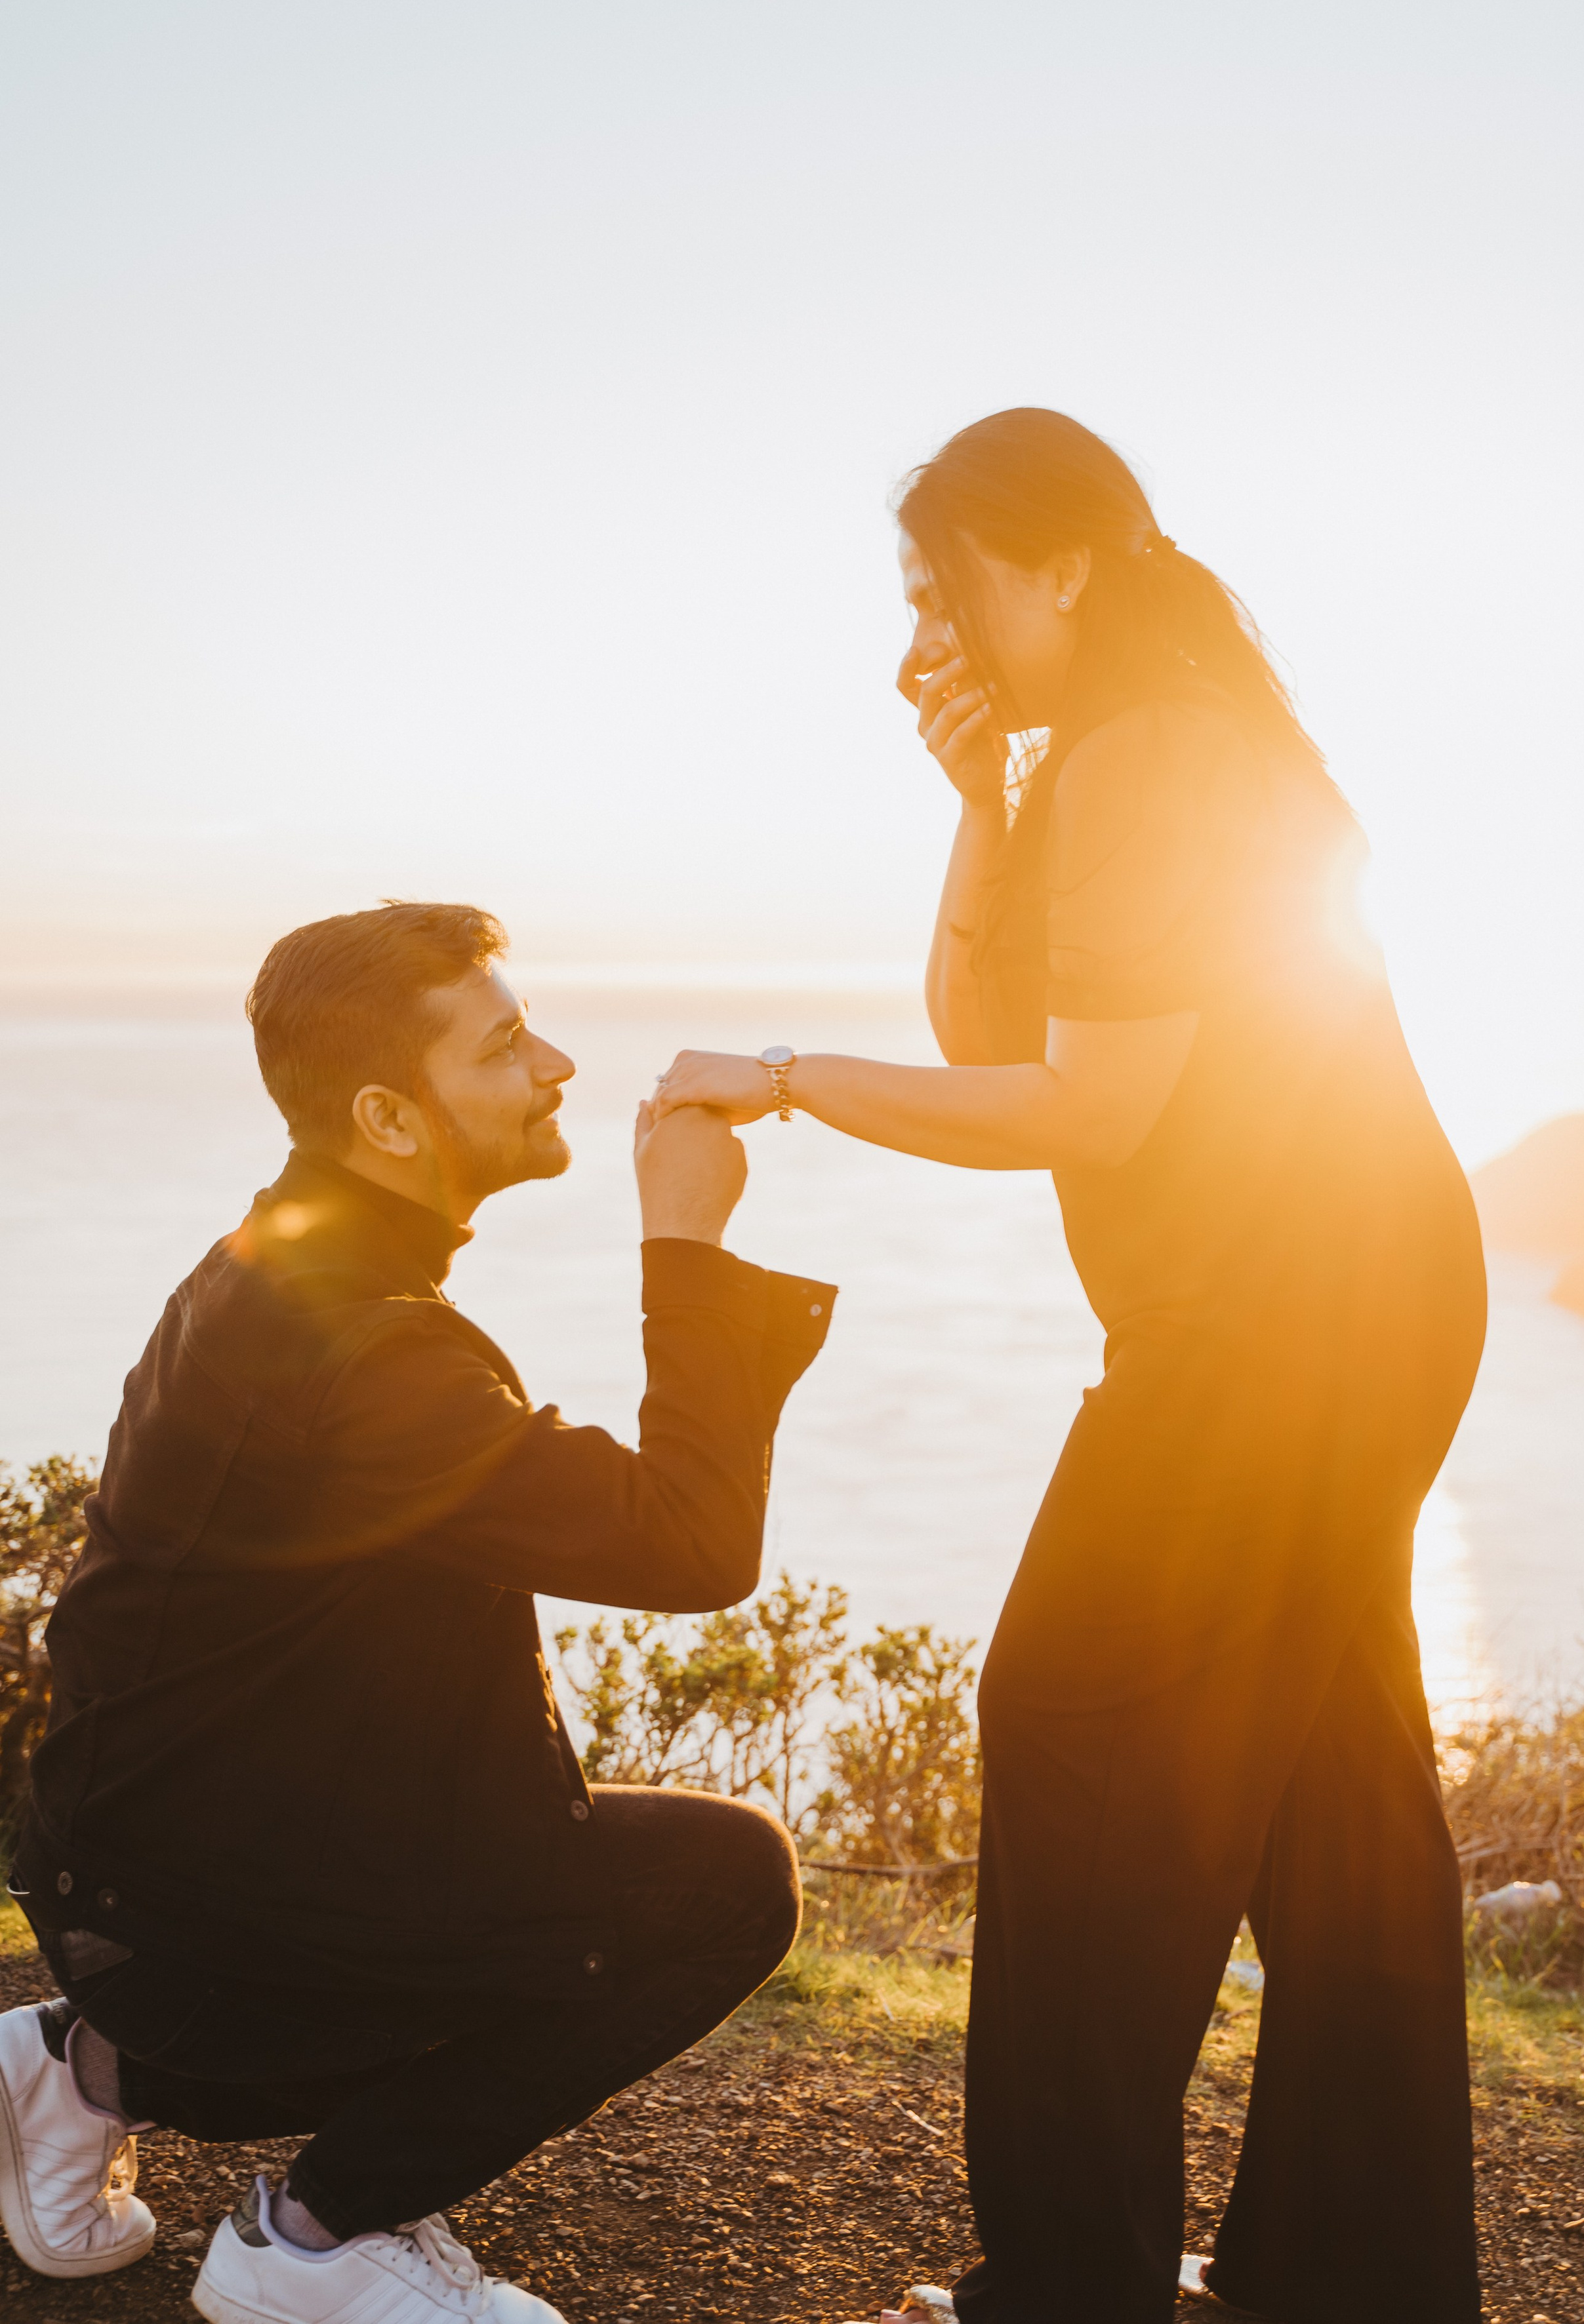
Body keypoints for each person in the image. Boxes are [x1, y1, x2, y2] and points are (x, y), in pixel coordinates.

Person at [651, 411, 1488, 2323]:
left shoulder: (1155, 751)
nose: (921, 634)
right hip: (1343, 1309)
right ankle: (1355, 2281)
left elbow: (1086, 1109)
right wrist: (977, 794)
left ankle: (1066, 2286)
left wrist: (775, 1080)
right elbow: (980, 1015)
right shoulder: (1119, 753)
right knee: (1335, 1787)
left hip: (1279, 1333)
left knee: (1066, 1723)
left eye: (941, 587)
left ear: (1057, 568)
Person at [2, 900, 834, 2324]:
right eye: (508, 1045)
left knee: (540, 1879)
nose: (559, 1064)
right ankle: (313, 2240)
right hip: (200, 1909)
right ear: (389, 1119)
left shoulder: (283, 1259)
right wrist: (683, 1248)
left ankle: (73, 2068)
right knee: (720, 1888)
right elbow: (687, 1545)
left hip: (157, 1875)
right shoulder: (368, 1347)